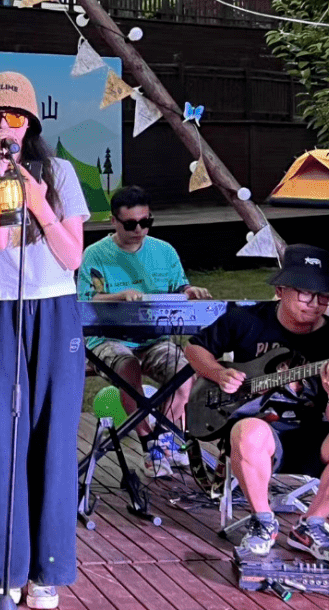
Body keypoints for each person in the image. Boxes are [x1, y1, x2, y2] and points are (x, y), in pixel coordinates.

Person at [0, 71, 89, 610]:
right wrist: (6, 183)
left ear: (29, 123)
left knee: (54, 438)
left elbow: (71, 256)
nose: (2, 126)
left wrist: (42, 202)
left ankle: (46, 571)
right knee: (2, 438)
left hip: (55, 308)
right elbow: (0, 239)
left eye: (13, 117)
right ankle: (6, 572)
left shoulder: (62, 173)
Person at [184, 244, 329, 562]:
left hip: (315, 437)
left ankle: (311, 525)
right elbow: (194, 348)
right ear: (280, 290)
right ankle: (263, 522)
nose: (315, 304)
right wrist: (218, 373)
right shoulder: (247, 320)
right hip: (260, 434)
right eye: (305, 294)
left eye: (324, 297)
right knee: (248, 431)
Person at [78, 185, 210, 477]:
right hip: (108, 336)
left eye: (145, 221)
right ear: (114, 221)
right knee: (128, 367)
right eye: (130, 224)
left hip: (154, 336)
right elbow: (87, 299)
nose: (139, 229)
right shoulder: (96, 254)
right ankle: (149, 444)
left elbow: (180, 286)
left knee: (185, 373)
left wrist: (190, 291)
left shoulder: (164, 250)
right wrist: (119, 296)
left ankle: (164, 440)